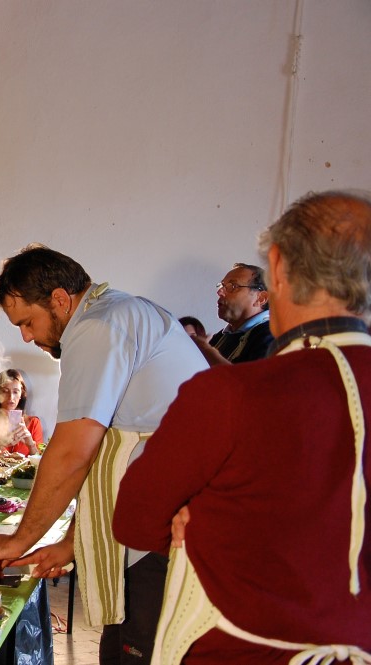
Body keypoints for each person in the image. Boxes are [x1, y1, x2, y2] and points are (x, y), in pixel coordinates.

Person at [113, 190, 371, 663]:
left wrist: (203, 522)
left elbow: (134, 519)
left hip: (241, 648)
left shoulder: (231, 394)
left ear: (276, 268)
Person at [0, 245, 207, 665]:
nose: (26, 336)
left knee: (136, 656)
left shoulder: (97, 327)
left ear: (60, 300)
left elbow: (73, 454)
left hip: (166, 532)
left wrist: (20, 539)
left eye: (28, 322)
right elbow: (112, 455)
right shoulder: (122, 311)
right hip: (160, 523)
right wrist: (70, 544)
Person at [193, 263, 273, 365]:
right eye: (222, 286)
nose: (220, 292)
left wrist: (206, 350)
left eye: (233, 286)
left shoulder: (270, 336)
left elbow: (250, 380)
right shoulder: (221, 337)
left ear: (261, 298)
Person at [0, 369, 44, 456]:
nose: (11, 397)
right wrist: (0, 445)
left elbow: (40, 463)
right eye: (5, 391)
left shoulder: (33, 423)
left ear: (21, 395)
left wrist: (30, 444)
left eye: (15, 392)